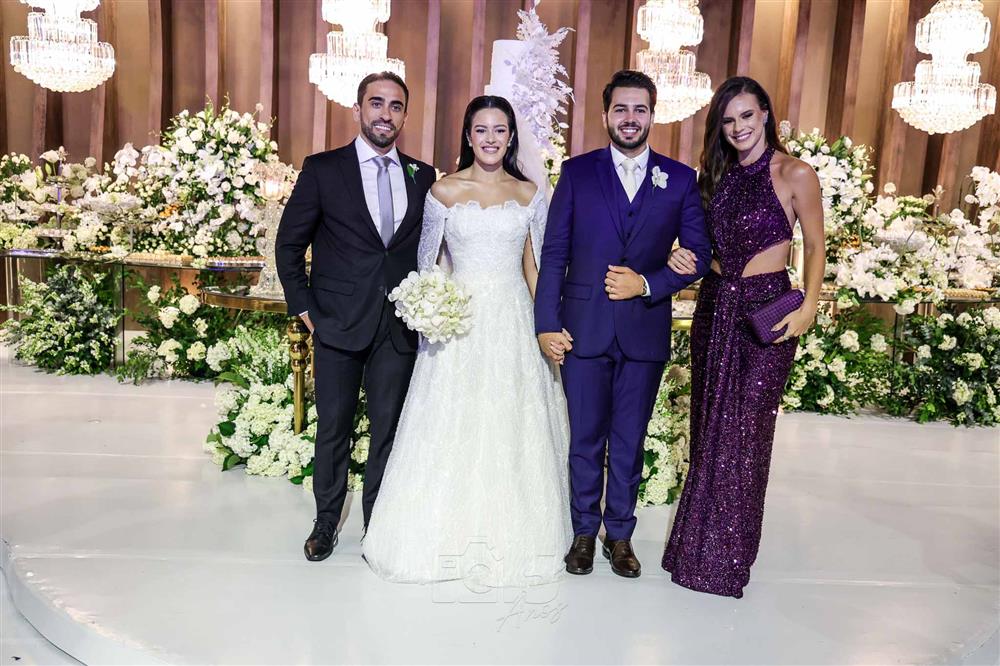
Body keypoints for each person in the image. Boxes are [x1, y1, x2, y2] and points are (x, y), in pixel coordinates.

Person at [362, 96, 572, 586]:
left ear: (511, 137)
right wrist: (430, 306)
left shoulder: (529, 194)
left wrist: (547, 322)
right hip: (457, 323)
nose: (491, 139)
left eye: (500, 130)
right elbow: (428, 264)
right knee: (452, 420)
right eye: (482, 130)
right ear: (468, 136)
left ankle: (514, 534)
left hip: (513, 320)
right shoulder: (444, 190)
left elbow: (535, 268)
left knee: (509, 423)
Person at [534, 70, 712, 579]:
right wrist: (546, 323)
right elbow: (555, 252)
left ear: (653, 115)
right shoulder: (577, 172)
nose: (630, 118)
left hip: (644, 331)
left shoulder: (679, 179)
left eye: (640, 109)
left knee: (630, 439)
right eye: (621, 109)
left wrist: (650, 283)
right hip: (582, 328)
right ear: (605, 115)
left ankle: (621, 535)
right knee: (585, 439)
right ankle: (583, 532)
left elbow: (699, 254)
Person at [662, 76, 825, 598]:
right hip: (714, 305)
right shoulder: (715, 176)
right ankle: (693, 550)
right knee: (708, 427)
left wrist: (810, 306)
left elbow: (815, 245)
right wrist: (681, 255)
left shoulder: (795, 173)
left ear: (766, 114)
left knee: (748, 435)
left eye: (747, 116)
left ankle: (728, 560)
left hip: (765, 312)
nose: (738, 128)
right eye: (728, 120)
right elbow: (699, 243)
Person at [275, 72, 436, 562]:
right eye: (376, 103)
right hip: (337, 322)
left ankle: (377, 526)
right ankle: (325, 523)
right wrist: (306, 309)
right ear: (358, 109)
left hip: (397, 327)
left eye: (395, 105)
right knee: (334, 429)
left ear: (405, 115)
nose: (385, 114)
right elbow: (288, 245)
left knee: (388, 431)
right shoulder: (324, 169)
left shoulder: (423, 176)